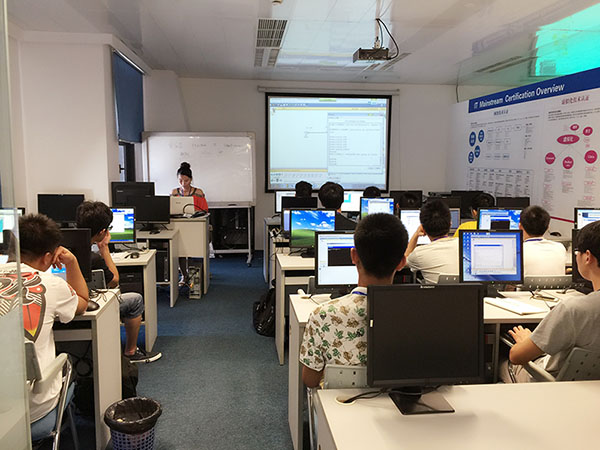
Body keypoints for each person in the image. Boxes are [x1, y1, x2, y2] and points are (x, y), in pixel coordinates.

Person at [300, 213, 408, 388]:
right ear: (402, 262)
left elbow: (310, 380)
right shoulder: (416, 312)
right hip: (397, 400)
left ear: (354, 256)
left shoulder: (323, 315)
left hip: (340, 402)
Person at [0, 214, 89, 423]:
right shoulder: (51, 284)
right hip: (30, 407)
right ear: (48, 257)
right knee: (69, 362)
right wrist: (72, 262)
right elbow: (83, 301)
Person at [502, 221, 600, 382]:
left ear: (588, 257)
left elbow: (517, 356)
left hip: (551, 383)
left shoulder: (573, 309)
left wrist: (526, 340)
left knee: (501, 360)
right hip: (593, 386)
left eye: (577, 252)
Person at [76, 201, 162, 363]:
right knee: (135, 300)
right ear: (102, 232)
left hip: (69, 306)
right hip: (90, 308)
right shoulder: (93, 258)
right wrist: (104, 248)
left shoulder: (63, 249)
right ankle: (130, 352)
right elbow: (114, 281)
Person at [405, 199, 459, 284]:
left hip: (437, 293)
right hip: (469, 292)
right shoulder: (464, 246)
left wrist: (416, 235)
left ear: (423, 229)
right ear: (450, 224)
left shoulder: (419, 253)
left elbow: (404, 261)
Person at [519, 205, 566, 276]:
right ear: (547, 228)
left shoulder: (518, 251)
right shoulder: (560, 248)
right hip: (555, 284)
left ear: (520, 227)